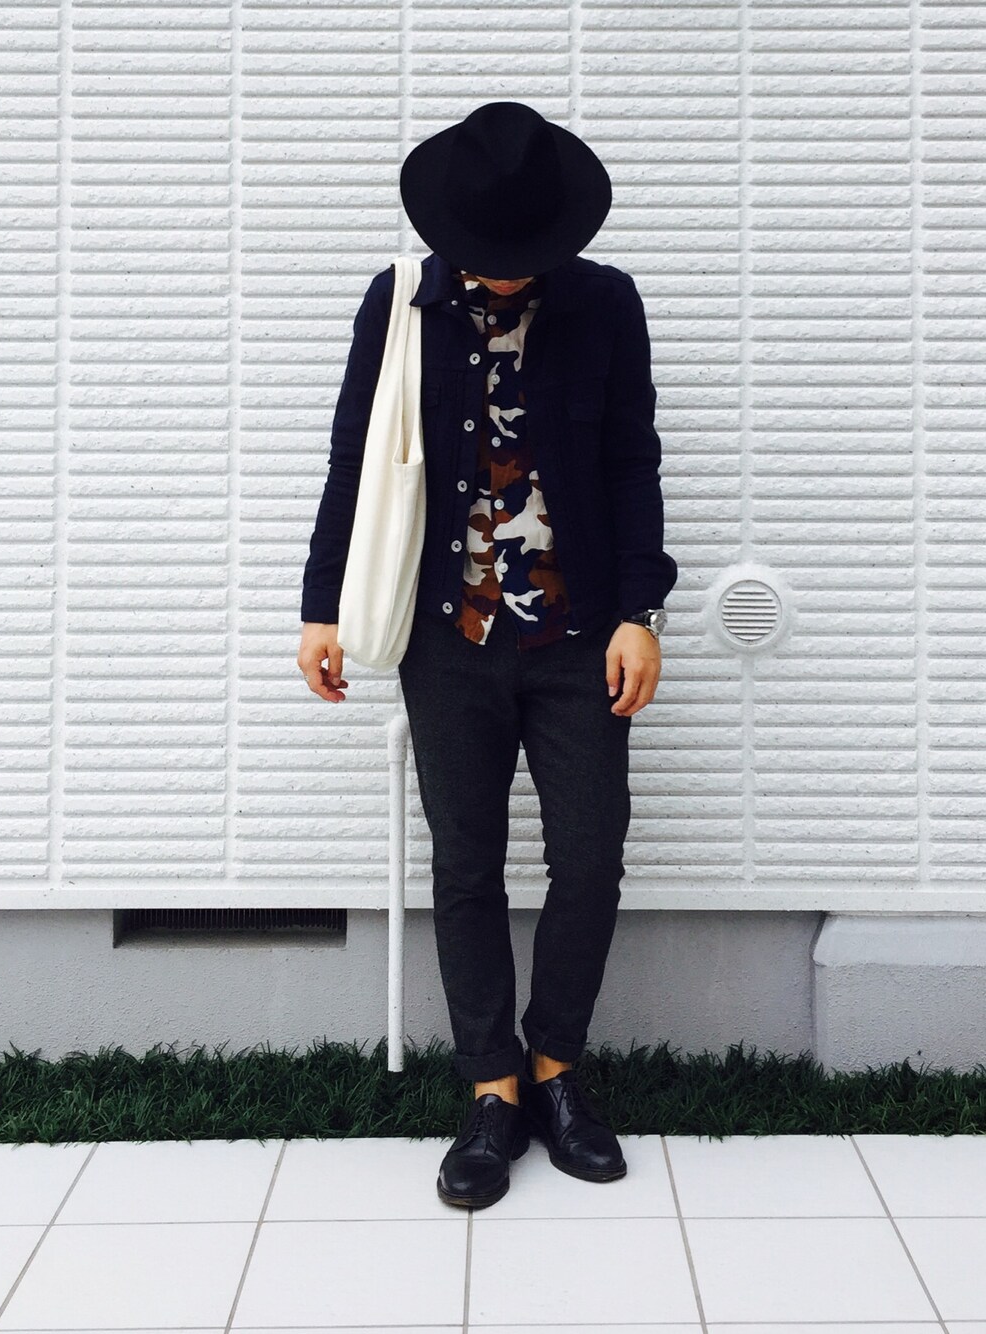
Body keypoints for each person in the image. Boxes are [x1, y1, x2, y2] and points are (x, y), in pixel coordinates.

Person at [297, 101, 679, 1210]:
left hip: (578, 635)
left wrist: (640, 610)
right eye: (489, 252)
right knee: (465, 864)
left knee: (590, 855)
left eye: (526, 252)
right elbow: (353, 457)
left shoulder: (604, 302)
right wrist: (320, 607)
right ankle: (491, 1091)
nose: (507, 272)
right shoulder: (400, 305)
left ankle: (557, 1073)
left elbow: (632, 459)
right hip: (446, 638)